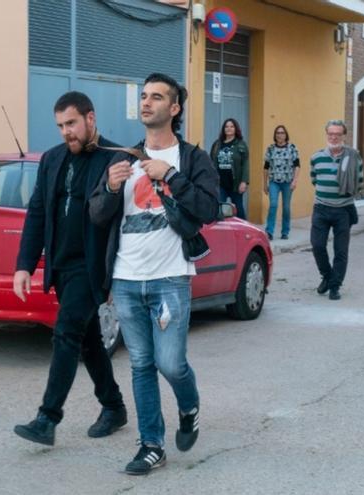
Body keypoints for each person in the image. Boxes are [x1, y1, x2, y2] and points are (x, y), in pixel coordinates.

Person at [90, 73, 219, 475]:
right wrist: (109, 190)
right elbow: (96, 215)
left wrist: (172, 176)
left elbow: (210, 209)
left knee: (171, 363)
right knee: (141, 364)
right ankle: (151, 445)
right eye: (144, 96)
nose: (146, 103)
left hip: (170, 277)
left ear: (174, 108)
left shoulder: (193, 159)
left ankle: (189, 404)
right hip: (127, 278)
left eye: (157, 97)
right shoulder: (122, 158)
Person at [12, 91, 127, 447]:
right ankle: (113, 406)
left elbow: (118, 216)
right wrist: (24, 266)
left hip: (90, 268)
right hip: (60, 267)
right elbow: (38, 213)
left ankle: (48, 418)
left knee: (65, 333)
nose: (66, 132)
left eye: (72, 123)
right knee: (88, 340)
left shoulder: (115, 160)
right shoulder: (51, 159)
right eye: (61, 125)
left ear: (90, 119)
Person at [310, 119, 363, 300]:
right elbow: (314, 179)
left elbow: (359, 182)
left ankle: (334, 286)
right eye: (331, 134)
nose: (334, 137)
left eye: (338, 134)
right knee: (317, 246)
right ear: (327, 134)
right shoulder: (316, 157)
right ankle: (327, 276)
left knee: (341, 251)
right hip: (321, 208)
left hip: (343, 210)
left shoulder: (354, 157)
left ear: (343, 136)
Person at [263, 125, 300, 240]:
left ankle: (285, 231)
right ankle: (269, 231)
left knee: (286, 207)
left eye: (282, 133)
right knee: (273, 205)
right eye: (278, 133)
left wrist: (295, 180)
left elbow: (297, 165)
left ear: (286, 135)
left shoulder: (292, 148)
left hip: (287, 182)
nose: (280, 135)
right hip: (274, 181)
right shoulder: (270, 149)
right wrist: (265, 184)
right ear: (275, 135)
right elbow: (266, 167)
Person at [210, 118, 249, 219]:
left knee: (239, 209)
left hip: (235, 184)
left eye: (231, 126)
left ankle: (242, 231)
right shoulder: (217, 144)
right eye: (226, 127)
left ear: (235, 129)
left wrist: (244, 182)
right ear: (223, 129)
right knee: (218, 208)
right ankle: (221, 231)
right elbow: (211, 162)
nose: (229, 128)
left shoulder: (241, 144)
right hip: (220, 183)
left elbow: (245, 163)